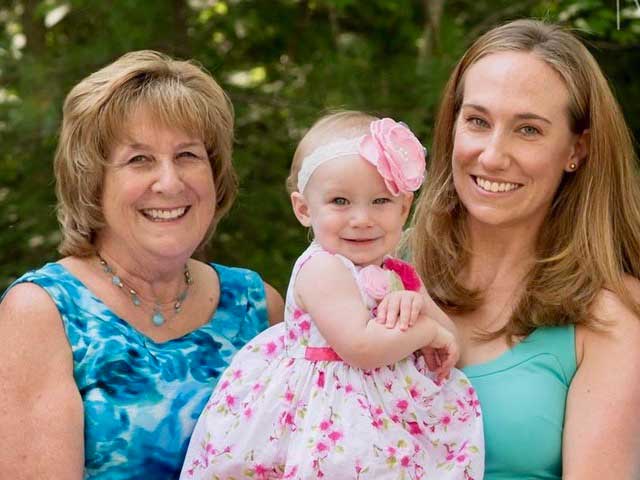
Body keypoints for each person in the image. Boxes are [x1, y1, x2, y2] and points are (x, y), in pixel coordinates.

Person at [0, 50, 284, 479]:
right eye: (139, 160)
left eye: (188, 155)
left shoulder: (259, 306)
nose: (169, 182)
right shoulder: (41, 313)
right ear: (93, 182)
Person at [180, 111, 484, 479]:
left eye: (380, 202)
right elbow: (362, 348)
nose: (361, 218)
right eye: (340, 202)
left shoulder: (397, 272)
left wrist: (415, 303)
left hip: (381, 420)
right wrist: (424, 332)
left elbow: (451, 344)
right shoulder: (323, 269)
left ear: (404, 208)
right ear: (304, 209)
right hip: (325, 415)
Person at [408, 19, 640, 479]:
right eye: (477, 121)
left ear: (578, 149)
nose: (492, 155)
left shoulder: (613, 316)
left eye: (528, 130)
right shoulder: (381, 278)